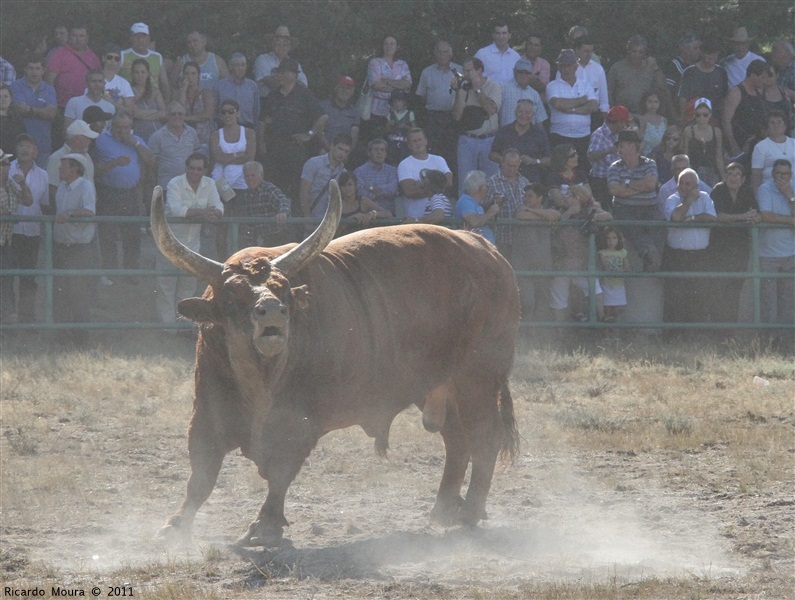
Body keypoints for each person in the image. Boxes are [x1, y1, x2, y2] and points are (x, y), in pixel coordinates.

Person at [157, 153, 222, 325]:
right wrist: (203, 212)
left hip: (192, 245)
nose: (195, 172)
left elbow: (218, 204)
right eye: (192, 168)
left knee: (188, 286)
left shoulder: (210, 184)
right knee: (166, 286)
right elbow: (176, 209)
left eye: (199, 169)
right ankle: (168, 326)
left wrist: (215, 212)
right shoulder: (174, 183)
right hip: (168, 242)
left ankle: (185, 326)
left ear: (204, 170)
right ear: (186, 168)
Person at [92, 110, 155, 279]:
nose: (122, 131)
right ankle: (110, 272)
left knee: (132, 234)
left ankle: (131, 272)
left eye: (126, 127)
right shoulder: (100, 141)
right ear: (112, 126)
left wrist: (134, 143)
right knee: (108, 234)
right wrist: (115, 163)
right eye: (119, 127)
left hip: (131, 193)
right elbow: (93, 168)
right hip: (108, 192)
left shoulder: (137, 140)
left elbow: (151, 161)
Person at [259, 58, 325, 201]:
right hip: (275, 147)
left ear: (294, 75)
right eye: (279, 73)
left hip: (296, 148)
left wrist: (309, 134)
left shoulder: (304, 94)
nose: (280, 76)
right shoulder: (273, 95)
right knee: (273, 185)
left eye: (283, 73)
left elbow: (322, 117)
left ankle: (295, 221)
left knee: (295, 186)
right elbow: (263, 122)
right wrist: (262, 143)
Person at [661, 168, 718, 331]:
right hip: (677, 256)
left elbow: (712, 218)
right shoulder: (672, 199)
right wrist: (689, 201)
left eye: (688, 184)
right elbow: (677, 217)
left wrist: (693, 218)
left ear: (696, 185)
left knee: (699, 297)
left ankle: (695, 338)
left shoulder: (705, 197)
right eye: (681, 184)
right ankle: (672, 338)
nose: (684, 187)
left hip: (700, 256)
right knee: (675, 298)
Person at [549, 183, 611, 323]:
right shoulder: (559, 210)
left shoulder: (589, 210)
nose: (566, 199)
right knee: (559, 297)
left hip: (583, 262)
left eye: (569, 196)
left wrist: (590, 218)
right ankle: (560, 333)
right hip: (561, 261)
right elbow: (553, 229)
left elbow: (608, 216)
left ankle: (602, 326)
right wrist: (569, 213)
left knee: (596, 293)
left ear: (577, 198)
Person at [52, 153, 96, 345]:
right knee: (61, 292)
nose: (60, 169)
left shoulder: (86, 186)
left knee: (78, 293)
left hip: (79, 248)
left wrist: (70, 213)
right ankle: (62, 336)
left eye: (64, 166)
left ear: (75, 169)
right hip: (61, 245)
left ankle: (81, 338)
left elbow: (89, 211)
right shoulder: (62, 186)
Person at [708, 162, 759, 325]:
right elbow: (718, 216)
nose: (733, 177)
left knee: (735, 289)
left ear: (743, 179)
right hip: (719, 249)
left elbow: (756, 213)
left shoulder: (747, 192)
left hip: (740, 249)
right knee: (719, 289)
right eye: (730, 173)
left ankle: (730, 331)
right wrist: (743, 216)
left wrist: (755, 217)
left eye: (737, 174)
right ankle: (717, 330)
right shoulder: (718, 190)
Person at [8, 135, 48, 322]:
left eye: (29, 146)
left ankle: (27, 319)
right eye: (21, 145)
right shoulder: (5, 169)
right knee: (6, 277)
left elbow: (44, 204)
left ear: (36, 152)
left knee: (28, 277)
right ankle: (7, 317)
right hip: (8, 232)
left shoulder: (43, 175)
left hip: (32, 233)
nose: (24, 149)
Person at [608, 129, 660, 270]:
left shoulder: (649, 163)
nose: (619, 149)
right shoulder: (615, 167)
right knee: (631, 225)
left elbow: (651, 184)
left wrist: (626, 184)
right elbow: (614, 190)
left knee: (656, 226)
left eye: (622, 145)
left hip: (649, 209)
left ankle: (650, 258)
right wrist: (641, 186)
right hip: (624, 209)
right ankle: (648, 254)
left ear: (632, 145)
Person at [756, 159, 795, 350]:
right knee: (768, 300)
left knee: (788, 300)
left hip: (791, 253)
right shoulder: (765, 189)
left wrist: (790, 196)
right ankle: (767, 343)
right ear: (773, 174)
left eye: (786, 174)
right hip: (768, 254)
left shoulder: (793, 188)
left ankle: (785, 342)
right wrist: (790, 221)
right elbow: (766, 215)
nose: (782, 178)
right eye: (779, 174)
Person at [210, 99, 256, 258]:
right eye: (224, 112)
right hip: (222, 185)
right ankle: (222, 262)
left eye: (231, 111)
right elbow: (217, 157)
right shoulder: (216, 134)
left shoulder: (249, 133)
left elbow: (250, 156)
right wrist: (238, 155)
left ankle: (242, 261)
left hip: (243, 187)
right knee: (222, 227)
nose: (227, 114)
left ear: (238, 113)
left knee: (243, 227)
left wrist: (228, 157)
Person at [451, 57, 501, 192]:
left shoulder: (493, 86)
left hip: (489, 139)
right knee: (465, 182)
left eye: (469, 71)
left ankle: (491, 210)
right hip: (467, 139)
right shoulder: (463, 86)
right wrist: (459, 92)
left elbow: (490, 109)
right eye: (464, 71)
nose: (465, 74)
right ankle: (466, 211)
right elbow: (457, 116)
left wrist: (477, 88)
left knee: (492, 182)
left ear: (479, 71)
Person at [547, 49, 599, 176]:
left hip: (583, 137)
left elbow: (593, 106)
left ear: (576, 66)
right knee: (559, 172)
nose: (566, 69)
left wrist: (570, 109)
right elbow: (558, 104)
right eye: (563, 66)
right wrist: (581, 100)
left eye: (569, 65)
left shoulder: (585, 85)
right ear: (559, 67)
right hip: (560, 136)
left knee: (582, 173)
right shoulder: (552, 86)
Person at [513, 182, 559, 320]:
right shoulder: (521, 210)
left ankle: (540, 334)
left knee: (543, 301)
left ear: (540, 198)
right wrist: (543, 216)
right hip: (524, 264)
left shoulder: (542, 210)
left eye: (530, 196)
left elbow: (555, 215)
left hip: (543, 265)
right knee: (527, 301)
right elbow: (521, 216)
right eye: (525, 196)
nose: (526, 199)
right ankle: (526, 331)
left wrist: (533, 211)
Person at [0, 148, 33, 324]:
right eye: (5, 163)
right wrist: (10, 215)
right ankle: (7, 315)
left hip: (6, 241)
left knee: (6, 279)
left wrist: (23, 185)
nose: (8, 166)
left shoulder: (11, 184)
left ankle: (7, 317)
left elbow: (28, 201)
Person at [416, 41, 460, 170]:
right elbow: (422, 96)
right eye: (439, 52)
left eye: (445, 52)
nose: (442, 55)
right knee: (433, 152)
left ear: (451, 54)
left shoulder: (459, 71)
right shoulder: (427, 72)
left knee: (452, 154)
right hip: (433, 118)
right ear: (435, 54)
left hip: (453, 118)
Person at [10, 55, 57, 167]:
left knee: (40, 182)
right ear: (25, 69)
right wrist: (42, 110)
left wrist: (30, 109)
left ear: (43, 71)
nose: (34, 72)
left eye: (37, 68)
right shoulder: (15, 86)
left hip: (43, 145)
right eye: (31, 68)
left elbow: (51, 113)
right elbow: (19, 109)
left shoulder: (49, 89)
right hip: (19, 145)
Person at [489, 99, 550, 183]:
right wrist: (507, 161)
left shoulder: (540, 134)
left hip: (531, 181)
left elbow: (548, 159)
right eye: (520, 112)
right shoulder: (504, 131)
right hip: (505, 181)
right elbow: (492, 154)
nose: (523, 115)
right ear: (515, 112)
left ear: (533, 114)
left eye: (528, 112)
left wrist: (534, 161)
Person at [397, 128, 452, 221]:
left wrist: (420, 186)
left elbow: (449, 183)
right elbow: (409, 191)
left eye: (420, 140)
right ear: (409, 145)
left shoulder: (439, 160)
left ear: (426, 141)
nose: (418, 143)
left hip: (435, 220)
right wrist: (436, 188)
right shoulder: (404, 164)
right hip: (414, 217)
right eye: (414, 141)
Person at [44, 23, 101, 111]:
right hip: (63, 107)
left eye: (81, 36)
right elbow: (49, 81)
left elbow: (100, 81)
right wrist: (51, 103)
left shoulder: (93, 57)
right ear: (69, 37)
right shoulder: (58, 55)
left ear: (87, 38)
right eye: (74, 35)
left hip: (88, 107)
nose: (77, 39)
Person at [486, 149, 529, 263]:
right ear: (502, 162)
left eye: (515, 166)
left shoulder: (525, 182)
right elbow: (482, 207)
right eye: (509, 165)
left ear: (519, 163)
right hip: (500, 238)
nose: (512, 169)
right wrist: (492, 201)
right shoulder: (490, 182)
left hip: (521, 239)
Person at [147, 101, 200, 191]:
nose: (177, 116)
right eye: (173, 114)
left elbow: (197, 157)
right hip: (167, 186)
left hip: (190, 185)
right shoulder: (157, 137)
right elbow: (151, 165)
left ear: (184, 116)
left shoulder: (192, 133)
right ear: (167, 116)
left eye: (180, 114)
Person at [587, 105, 632, 211]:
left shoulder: (618, 135)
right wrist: (608, 150)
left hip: (616, 179)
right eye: (624, 122)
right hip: (601, 182)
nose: (625, 125)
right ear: (618, 122)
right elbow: (590, 155)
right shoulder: (599, 134)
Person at [238, 160, 292, 248]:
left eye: (253, 175)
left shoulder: (269, 189)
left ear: (261, 175)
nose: (250, 178)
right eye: (247, 176)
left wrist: (283, 213)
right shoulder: (246, 194)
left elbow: (283, 201)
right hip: (257, 238)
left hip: (276, 237)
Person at [607, 35, 666, 115]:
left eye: (640, 52)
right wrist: (613, 112)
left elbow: (662, 89)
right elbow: (608, 93)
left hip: (644, 115)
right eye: (634, 51)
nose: (637, 55)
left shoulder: (650, 69)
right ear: (628, 51)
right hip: (622, 115)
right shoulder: (616, 68)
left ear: (644, 53)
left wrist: (655, 67)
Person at [300, 132, 351, 222]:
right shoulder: (313, 163)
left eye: (346, 151)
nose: (342, 153)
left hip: (331, 221)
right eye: (340, 149)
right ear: (332, 146)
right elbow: (304, 192)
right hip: (312, 216)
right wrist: (307, 219)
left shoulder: (344, 173)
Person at [721, 59, 767, 159]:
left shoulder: (759, 92)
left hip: (756, 142)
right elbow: (726, 121)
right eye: (762, 78)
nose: (764, 81)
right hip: (739, 143)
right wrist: (733, 146)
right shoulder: (736, 92)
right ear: (753, 75)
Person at [47, 119, 97, 204]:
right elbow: (52, 188)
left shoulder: (87, 157)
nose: (90, 141)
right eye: (87, 138)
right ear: (77, 139)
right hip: (67, 213)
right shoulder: (56, 157)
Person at [678, 38, 728, 122]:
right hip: (693, 119)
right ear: (702, 53)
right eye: (709, 54)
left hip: (714, 119)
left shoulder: (721, 72)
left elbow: (723, 99)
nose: (712, 57)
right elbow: (683, 98)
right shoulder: (690, 71)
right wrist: (683, 119)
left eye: (715, 54)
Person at [366, 35, 411, 127]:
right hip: (377, 110)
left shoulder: (402, 64)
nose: (389, 47)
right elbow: (375, 84)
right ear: (382, 46)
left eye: (392, 44)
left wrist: (387, 81)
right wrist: (398, 87)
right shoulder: (375, 62)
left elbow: (407, 84)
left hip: (398, 110)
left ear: (397, 47)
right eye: (386, 44)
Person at [119, 23, 170, 101]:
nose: (140, 40)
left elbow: (164, 83)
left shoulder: (157, 57)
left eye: (143, 36)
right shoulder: (122, 55)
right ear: (131, 38)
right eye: (137, 36)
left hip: (153, 100)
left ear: (149, 38)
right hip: (128, 101)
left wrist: (166, 103)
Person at [254, 26, 307, 100]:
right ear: (272, 45)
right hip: (267, 103)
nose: (281, 47)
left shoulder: (295, 64)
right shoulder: (262, 59)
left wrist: (277, 79)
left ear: (289, 47)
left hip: (291, 104)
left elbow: (303, 85)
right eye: (278, 44)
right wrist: (291, 81)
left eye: (285, 44)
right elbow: (268, 81)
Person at [335, 171, 391, 237]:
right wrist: (352, 218)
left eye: (350, 185)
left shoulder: (363, 201)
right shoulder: (337, 205)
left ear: (355, 186)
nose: (347, 188)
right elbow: (334, 231)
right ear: (340, 188)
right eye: (344, 186)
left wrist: (372, 214)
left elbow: (388, 214)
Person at [682, 98, 725, 186]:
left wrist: (723, 175)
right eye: (698, 115)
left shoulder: (717, 132)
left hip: (712, 172)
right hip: (694, 172)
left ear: (710, 115)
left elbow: (719, 157)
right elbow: (686, 156)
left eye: (705, 114)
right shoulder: (688, 131)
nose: (701, 117)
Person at [176, 61, 216, 153]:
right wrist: (183, 89)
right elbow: (178, 109)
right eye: (187, 73)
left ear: (198, 75)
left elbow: (208, 114)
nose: (190, 77)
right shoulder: (179, 93)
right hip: (183, 138)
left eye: (193, 73)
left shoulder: (206, 93)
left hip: (202, 138)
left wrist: (185, 118)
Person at [751, 111, 795, 194]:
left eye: (779, 122)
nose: (776, 125)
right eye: (772, 123)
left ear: (785, 125)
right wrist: (757, 196)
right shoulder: (760, 147)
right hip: (770, 192)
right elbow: (756, 175)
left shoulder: (794, 143)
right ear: (767, 127)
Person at [597, 226, 630, 332]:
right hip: (607, 285)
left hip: (619, 285)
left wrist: (622, 271)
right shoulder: (602, 253)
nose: (611, 241)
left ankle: (616, 335)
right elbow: (605, 266)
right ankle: (606, 335)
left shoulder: (623, 252)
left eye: (614, 238)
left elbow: (627, 267)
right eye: (608, 238)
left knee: (617, 311)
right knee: (607, 311)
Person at [354, 138, 399, 215]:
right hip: (366, 217)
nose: (379, 153)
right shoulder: (359, 171)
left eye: (382, 150)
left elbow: (393, 189)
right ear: (369, 153)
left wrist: (371, 188)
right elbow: (360, 192)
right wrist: (382, 192)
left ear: (386, 154)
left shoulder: (392, 171)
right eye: (376, 150)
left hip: (388, 215)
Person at [63, 69, 115, 135]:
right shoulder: (74, 102)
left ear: (104, 84)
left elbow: (110, 132)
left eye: (100, 81)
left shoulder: (110, 107)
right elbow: (68, 130)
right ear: (87, 84)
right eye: (94, 81)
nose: (97, 84)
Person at [498, 58, 547, 128]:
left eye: (527, 73)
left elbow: (539, 121)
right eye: (520, 72)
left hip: (528, 137)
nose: (524, 75)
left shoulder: (535, 94)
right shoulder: (502, 88)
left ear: (531, 75)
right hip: (506, 136)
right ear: (514, 72)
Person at [455, 169, 500, 244]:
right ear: (481, 188)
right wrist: (490, 213)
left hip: (482, 248)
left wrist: (491, 202)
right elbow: (473, 221)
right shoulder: (465, 201)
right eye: (486, 185)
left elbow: (476, 212)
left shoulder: (472, 202)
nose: (487, 188)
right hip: (474, 249)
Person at [572, 37, 610, 123]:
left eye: (591, 51)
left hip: (594, 115)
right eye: (586, 51)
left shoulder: (598, 69)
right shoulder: (568, 69)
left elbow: (604, 97)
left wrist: (604, 116)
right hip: (574, 112)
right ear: (577, 50)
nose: (589, 54)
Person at [319, 75, 360, 152]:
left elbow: (354, 134)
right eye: (342, 87)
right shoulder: (323, 106)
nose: (345, 91)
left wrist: (348, 152)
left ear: (352, 92)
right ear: (336, 88)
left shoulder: (355, 111)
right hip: (323, 149)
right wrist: (329, 148)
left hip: (343, 151)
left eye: (348, 88)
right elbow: (319, 131)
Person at [217, 53, 259, 129]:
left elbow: (256, 111)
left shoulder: (252, 86)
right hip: (224, 127)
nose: (240, 68)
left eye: (243, 65)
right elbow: (215, 110)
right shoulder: (219, 86)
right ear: (230, 67)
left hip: (247, 127)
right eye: (237, 65)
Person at [129, 59, 165, 143]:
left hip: (157, 133)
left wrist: (143, 115)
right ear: (132, 74)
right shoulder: (129, 91)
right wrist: (154, 112)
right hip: (138, 134)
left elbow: (163, 113)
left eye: (143, 72)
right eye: (136, 72)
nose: (140, 75)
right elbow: (135, 113)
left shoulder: (155, 91)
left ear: (148, 74)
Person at [474, 20, 521, 84]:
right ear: (493, 35)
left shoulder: (516, 57)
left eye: (504, 33)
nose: (501, 37)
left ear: (509, 35)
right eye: (498, 33)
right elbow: (473, 75)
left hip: (510, 93)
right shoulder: (482, 54)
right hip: (487, 93)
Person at [664, 34, 702, 103]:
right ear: (685, 49)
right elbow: (668, 91)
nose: (699, 51)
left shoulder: (697, 67)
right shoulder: (673, 66)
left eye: (699, 48)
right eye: (695, 48)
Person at [100, 43, 134, 113]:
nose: (113, 61)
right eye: (109, 57)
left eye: (116, 58)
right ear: (103, 58)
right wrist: (119, 101)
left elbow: (130, 110)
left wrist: (106, 98)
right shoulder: (94, 78)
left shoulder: (124, 83)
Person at [386, 89, 415, 166]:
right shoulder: (390, 115)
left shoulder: (410, 114)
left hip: (405, 145)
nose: (397, 104)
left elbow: (415, 130)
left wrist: (406, 127)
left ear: (405, 102)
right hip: (392, 144)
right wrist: (389, 125)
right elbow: (386, 130)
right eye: (394, 102)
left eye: (399, 101)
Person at [519, 32, 550, 97]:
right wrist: (534, 78)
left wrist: (522, 77)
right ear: (526, 45)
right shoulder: (517, 60)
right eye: (530, 44)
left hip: (538, 103)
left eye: (536, 45)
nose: (533, 47)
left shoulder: (544, 64)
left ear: (540, 48)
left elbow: (541, 87)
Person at [638, 89, 667, 155]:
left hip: (661, 154)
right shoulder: (642, 119)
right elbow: (640, 138)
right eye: (650, 102)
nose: (653, 104)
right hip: (647, 154)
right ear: (644, 102)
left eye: (656, 102)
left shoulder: (664, 120)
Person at [0, 84, 26, 153]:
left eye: (6, 96)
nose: (3, 99)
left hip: (15, 158)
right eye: (0, 97)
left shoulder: (17, 119)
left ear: (11, 99)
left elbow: (22, 139)